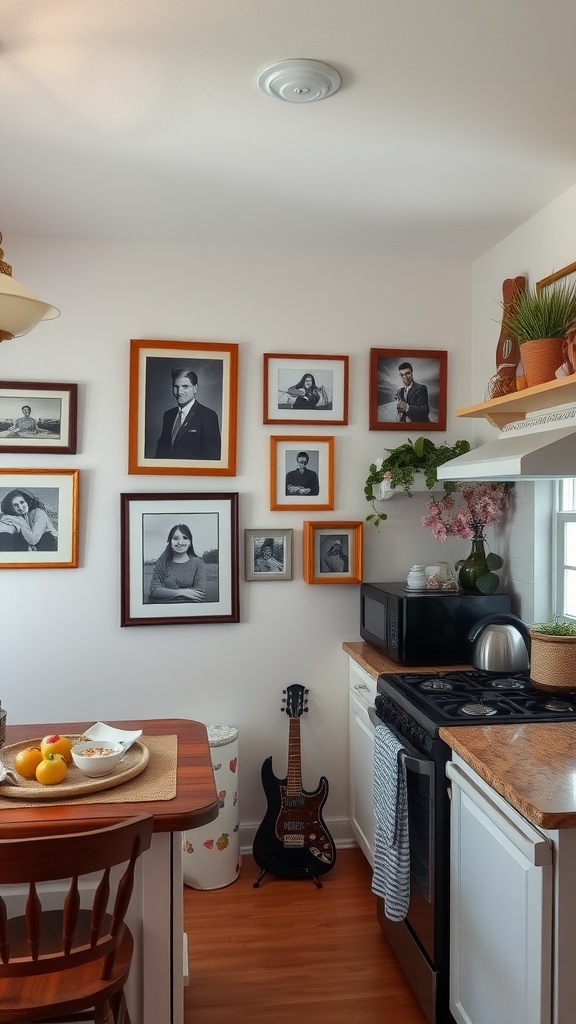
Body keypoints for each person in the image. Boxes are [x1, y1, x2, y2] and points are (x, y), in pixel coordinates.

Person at [155, 367, 221, 460]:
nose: (179, 392)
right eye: (176, 386)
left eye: (185, 386)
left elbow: (213, 458)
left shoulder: (208, 416)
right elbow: (161, 452)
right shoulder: (168, 415)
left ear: (195, 388)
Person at [149, 523, 206, 602]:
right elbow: (154, 590)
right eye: (176, 538)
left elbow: (199, 594)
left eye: (185, 538)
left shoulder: (198, 563)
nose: (180, 542)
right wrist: (182, 592)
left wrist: (165, 593)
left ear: (190, 543)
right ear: (170, 542)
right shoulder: (161, 563)